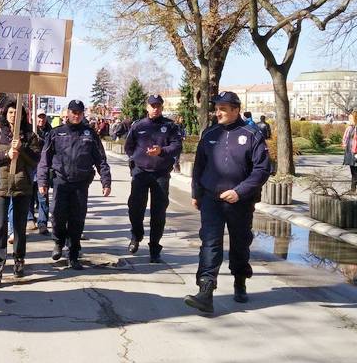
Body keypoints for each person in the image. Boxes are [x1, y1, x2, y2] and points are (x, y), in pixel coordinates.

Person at [185, 91, 271, 314]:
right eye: (217, 108)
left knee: (240, 243)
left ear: (236, 109)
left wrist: (240, 192)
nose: (218, 112)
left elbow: (262, 169)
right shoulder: (209, 133)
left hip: (239, 202)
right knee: (210, 243)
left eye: (223, 108)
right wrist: (196, 192)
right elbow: (199, 166)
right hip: (211, 199)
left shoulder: (251, 134)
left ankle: (240, 279)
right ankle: (205, 291)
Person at [37, 99, 111, 270]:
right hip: (60, 182)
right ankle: (58, 242)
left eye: (79, 112)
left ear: (82, 114)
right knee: (57, 215)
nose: (76, 115)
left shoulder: (89, 134)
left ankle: (73, 253)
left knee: (77, 220)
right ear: (67, 113)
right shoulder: (56, 133)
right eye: (73, 112)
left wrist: (105, 180)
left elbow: (100, 159)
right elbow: (44, 160)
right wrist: (42, 180)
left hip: (80, 183)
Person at [0, 99, 42, 287]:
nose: (13, 116)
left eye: (16, 112)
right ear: (5, 114)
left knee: (19, 228)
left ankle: (19, 259)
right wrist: (6, 155)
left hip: (23, 187)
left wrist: (23, 149)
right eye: (10, 112)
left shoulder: (30, 136)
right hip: (1, 187)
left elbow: (36, 160)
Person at [124, 95, 182, 263]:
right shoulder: (138, 126)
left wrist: (161, 151)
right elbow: (129, 146)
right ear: (147, 107)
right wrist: (135, 160)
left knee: (158, 213)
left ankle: (154, 247)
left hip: (161, 174)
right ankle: (136, 235)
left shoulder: (169, 126)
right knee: (135, 208)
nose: (155, 108)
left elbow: (177, 146)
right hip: (141, 173)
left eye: (158, 106)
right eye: (152, 105)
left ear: (162, 107)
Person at [34, 112, 53, 235]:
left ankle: (42, 222)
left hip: (44, 167)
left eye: (43, 117)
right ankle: (30, 218)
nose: (41, 119)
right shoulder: (30, 130)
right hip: (31, 166)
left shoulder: (51, 132)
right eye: (39, 117)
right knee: (30, 196)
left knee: (42, 196)